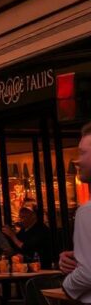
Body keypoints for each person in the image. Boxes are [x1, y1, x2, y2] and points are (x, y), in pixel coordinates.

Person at [63, 123, 91, 302]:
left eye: (83, 153)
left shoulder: (87, 211)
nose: (76, 161)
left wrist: (67, 285)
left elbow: (88, 272)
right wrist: (78, 255)